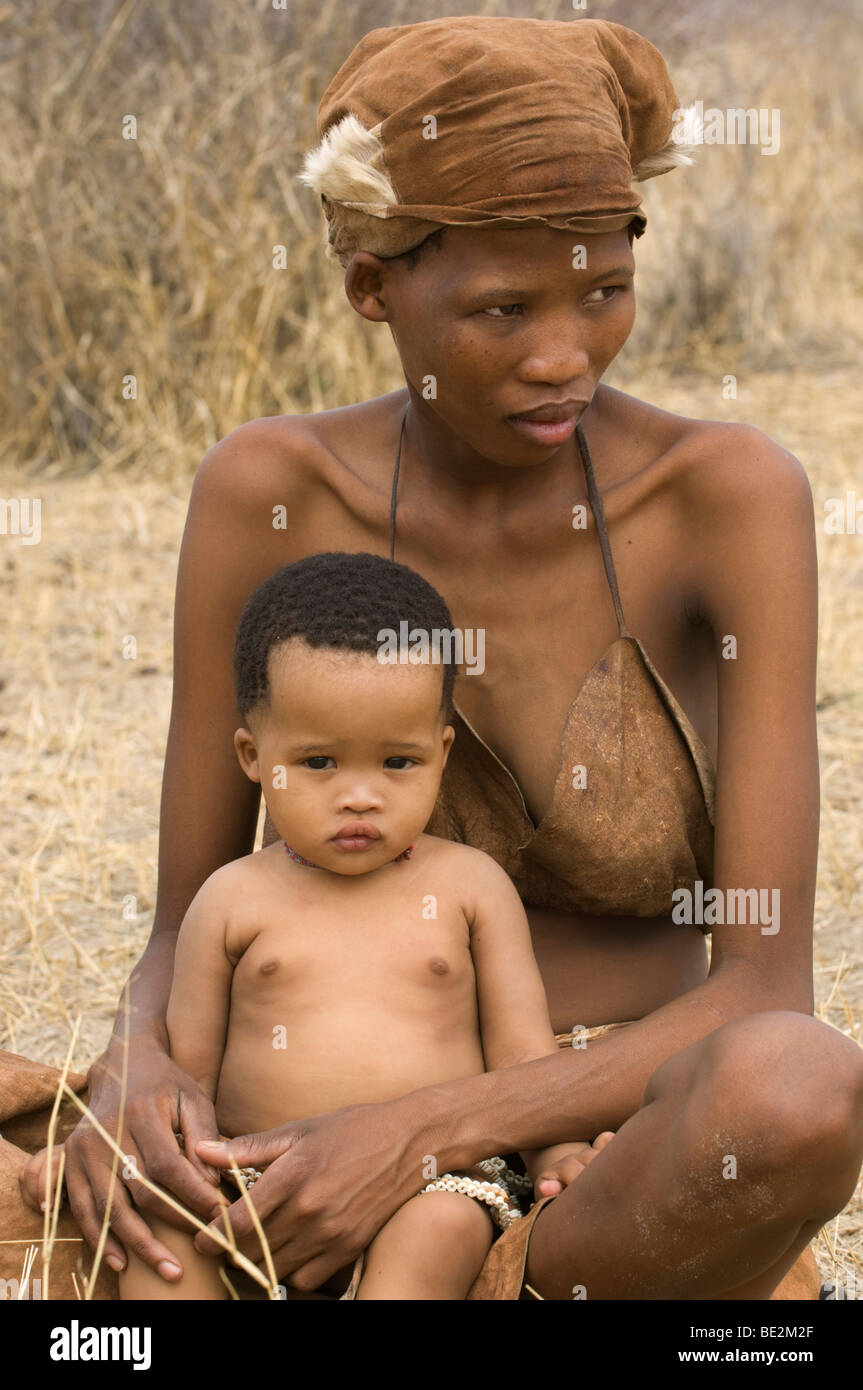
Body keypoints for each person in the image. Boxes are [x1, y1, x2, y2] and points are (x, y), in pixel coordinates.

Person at [6, 14, 863, 1301]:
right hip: (283, 1128)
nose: (563, 353)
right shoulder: (267, 490)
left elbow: (758, 981)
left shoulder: (723, 498)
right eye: (502, 307)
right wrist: (144, 1062)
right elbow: (184, 918)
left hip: (594, 1150)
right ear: (370, 286)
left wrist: (427, 1131)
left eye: (603, 292)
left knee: (796, 1086)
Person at [30, 551, 603, 1299]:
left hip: (429, 1181)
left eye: (398, 762)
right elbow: (189, 1078)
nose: (359, 797)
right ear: (253, 757)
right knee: (155, 1235)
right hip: (248, 1179)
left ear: (442, 755)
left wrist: (557, 1147)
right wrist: (129, 1148)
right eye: (319, 762)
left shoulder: (470, 888)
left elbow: (521, 1056)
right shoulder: (231, 899)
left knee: (438, 1233)